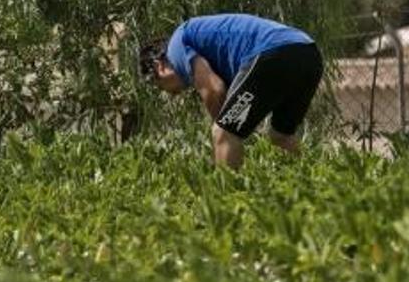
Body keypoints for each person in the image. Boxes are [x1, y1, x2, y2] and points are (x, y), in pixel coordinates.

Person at [139, 13, 325, 170]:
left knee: (222, 132)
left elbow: (214, 89)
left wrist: (224, 133)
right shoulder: (202, 46)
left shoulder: (176, 47)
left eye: (159, 86)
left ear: (159, 66)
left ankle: (227, 206)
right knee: (281, 136)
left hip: (273, 52)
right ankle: (308, 192)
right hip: (308, 53)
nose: (170, 93)